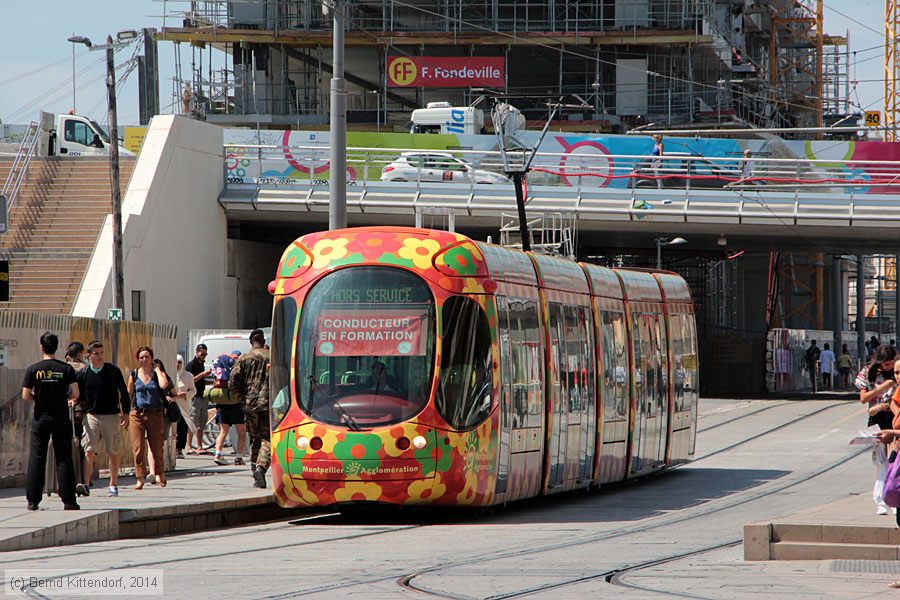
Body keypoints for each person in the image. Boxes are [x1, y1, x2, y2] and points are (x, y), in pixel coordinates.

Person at [23, 332, 80, 511]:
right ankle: (69, 500)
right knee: (64, 457)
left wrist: (38, 397)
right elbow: (75, 393)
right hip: (60, 416)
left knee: (37, 457)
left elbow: (25, 395)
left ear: (42, 347)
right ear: (57, 348)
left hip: (41, 417)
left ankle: (33, 500)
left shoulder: (34, 369)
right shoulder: (66, 369)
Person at [77, 340, 129, 497]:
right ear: (89, 355)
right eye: (96, 354)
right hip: (91, 415)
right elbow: (77, 393)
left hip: (111, 416)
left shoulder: (112, 371)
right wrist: (74, 400)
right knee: (89, 449)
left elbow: (124, 392)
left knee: (112, 450)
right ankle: (86, 484)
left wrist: (125, 413)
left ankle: (113, 484)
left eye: (101, 353)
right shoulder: (84, 373)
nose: (99, 357)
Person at [856, 345, 898, 515]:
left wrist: (884, 405)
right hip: (877, 419)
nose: (889, 368)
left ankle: (894, 498)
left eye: (891, 364)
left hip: (894, 417)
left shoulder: (897, 369)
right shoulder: (868, 372)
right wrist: (882, 388)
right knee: (881, 460)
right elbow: (864, 399)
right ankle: (880, 499)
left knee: (894, 457)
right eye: (886, 364)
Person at [229, 329, 270, 488]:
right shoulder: (271, 357)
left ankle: (255, 472)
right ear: (263, 341)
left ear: (251, 341)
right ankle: (261, 466)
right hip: (268, 404)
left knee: (254, 439)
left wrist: (241, 396)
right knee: (267, 438)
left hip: (249, 404)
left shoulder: (244, 358)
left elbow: (233, 382)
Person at [126, 346, 169, 490]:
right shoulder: (133, 374)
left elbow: (164, 385)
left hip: (155, 414)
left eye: (147, 357)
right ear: (137, 359)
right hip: (137, 414)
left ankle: (160, 472)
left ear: (152, 358)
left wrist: (157, 370)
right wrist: (125, 414)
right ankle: (139, 478)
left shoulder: (158, 374)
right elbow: (128, 394)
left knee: (157, 448)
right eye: (141, 357)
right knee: (138, 448)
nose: (144, 359)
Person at [210, 351, 247, 466]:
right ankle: (239, 458)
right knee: (241, 432)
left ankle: (218, 454)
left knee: (223, 431)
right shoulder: (237, 365)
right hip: (236, 403)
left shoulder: (220, 363)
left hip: (222, 403)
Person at [64, 341, 88, 497]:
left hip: (66, 410)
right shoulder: (85, 370)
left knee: (67, 444)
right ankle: (82, 478)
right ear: (79, 354)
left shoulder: (64, 368)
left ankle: (68, 478)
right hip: (82, 411)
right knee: (82, 446)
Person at [185, 344, 211, 454]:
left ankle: (199, 446)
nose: (204, 356)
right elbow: (191, 380)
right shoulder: (191, 365)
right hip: (194, 397)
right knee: (193, 421)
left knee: (202, 422)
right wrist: (203, 374)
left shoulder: (201, 365)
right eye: (202, 354)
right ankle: (189, 445)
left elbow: (200, 381)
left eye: (205, 354)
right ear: (197, 352)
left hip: (202, 395)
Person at [173, 354, 197, 459]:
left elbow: (193, 390)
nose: (177, 364)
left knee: (182, 427)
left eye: (179, 362)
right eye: (176, 362)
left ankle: (179, 449)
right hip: (172, 405)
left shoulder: (188, 376)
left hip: (183, 405)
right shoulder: (170, 374)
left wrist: (185, 395)